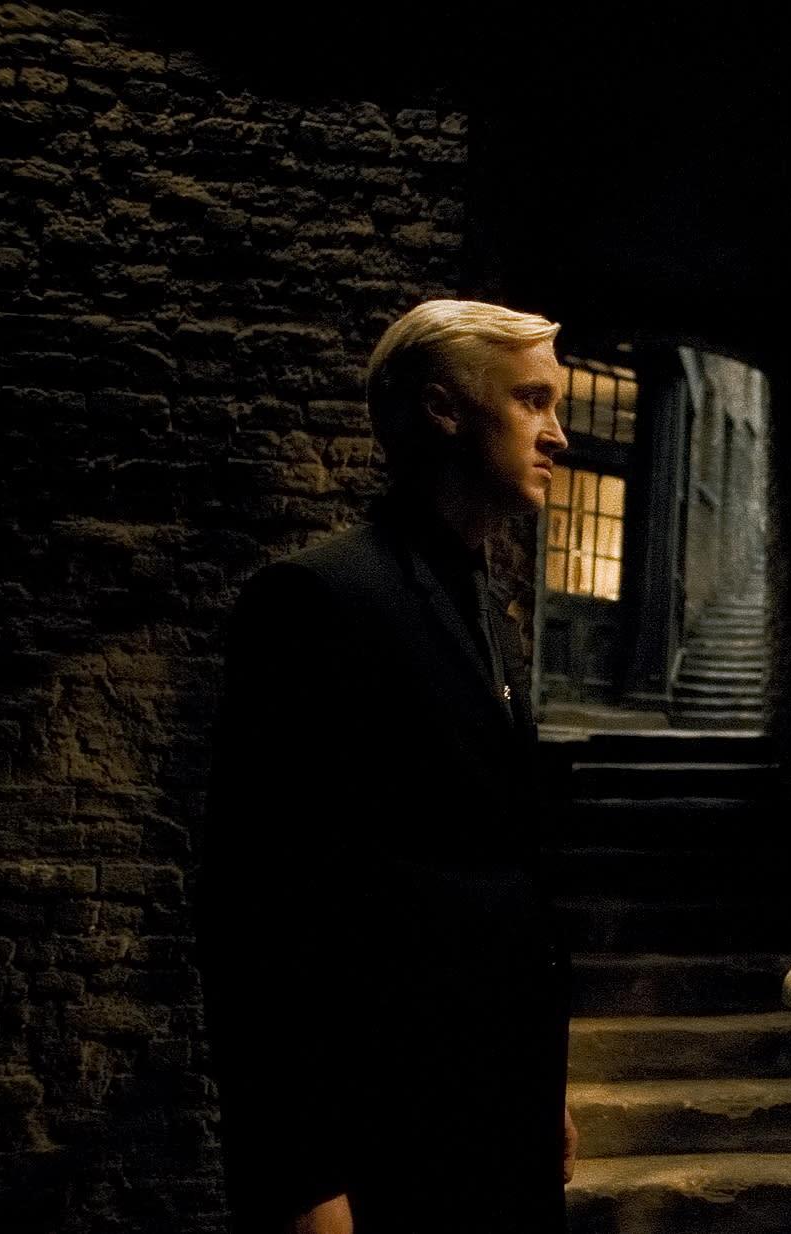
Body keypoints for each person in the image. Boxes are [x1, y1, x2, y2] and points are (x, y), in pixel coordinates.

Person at [199, 300, 576, 1233]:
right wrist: (302, 1179)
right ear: (444, 409)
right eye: (532, 401)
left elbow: (508, 874)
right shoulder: (316, 599)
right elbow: (261, 909)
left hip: (500, 1122)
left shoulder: (486, 603)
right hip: (389, 1136)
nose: (559, 435)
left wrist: (543, 1087)